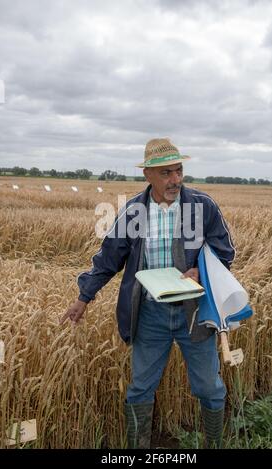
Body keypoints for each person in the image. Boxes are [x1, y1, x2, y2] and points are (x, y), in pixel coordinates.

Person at [61, 138, 235, 449]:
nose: (175, 180)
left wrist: (201, 273)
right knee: (140, 388)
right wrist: (83, 298)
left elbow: (224, 251)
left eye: (179, 171)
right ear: (148, 176)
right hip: (150, 314)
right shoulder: (133, 212)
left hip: (194, 311)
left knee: (210, 388)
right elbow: (108, 258)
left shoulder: (202, 206)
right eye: (166, 173)